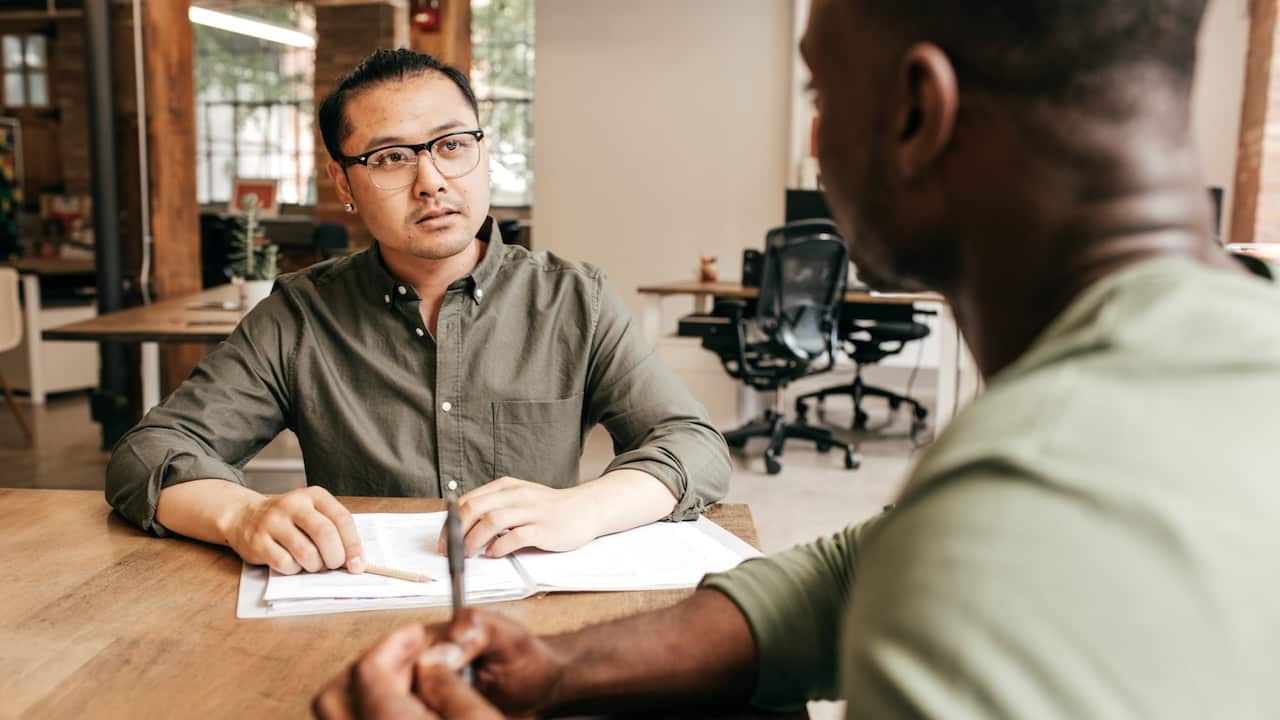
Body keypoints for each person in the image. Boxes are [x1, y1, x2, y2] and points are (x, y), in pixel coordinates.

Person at [315, 0, 1280, 717]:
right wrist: (568, 667)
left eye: (822, 90)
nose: (816, 136)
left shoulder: (1017, 523)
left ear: (915, 113)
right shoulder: (1215, 361)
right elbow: (870, 566)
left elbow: (941, 561)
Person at [105, 49, 729, 577]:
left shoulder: (574, 301)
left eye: (452, 146)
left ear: (483, 153)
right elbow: (148, 453)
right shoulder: (300, 314)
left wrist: (585, 508)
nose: (431, 179)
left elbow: (693, 445)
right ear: (344, 185)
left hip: (530, 618)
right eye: (391, 158)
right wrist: (242, 514)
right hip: (357, 607)